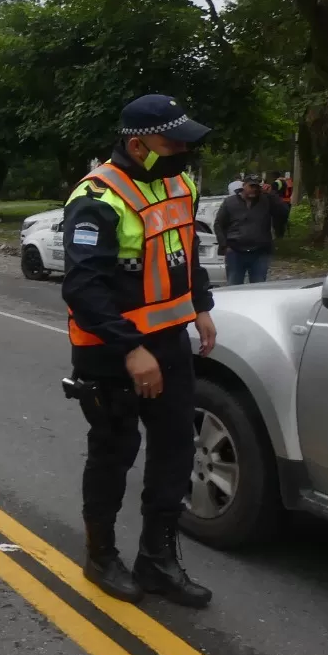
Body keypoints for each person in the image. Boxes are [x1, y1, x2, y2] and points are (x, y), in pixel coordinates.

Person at [60, 94, 216, 609]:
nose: (182, 152)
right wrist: (130, 350)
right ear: (137, 144)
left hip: (169, 342)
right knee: (114, 452)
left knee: (174, 450)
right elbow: (84, 289)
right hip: (112, 353)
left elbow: (185, 251)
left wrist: (200, 305)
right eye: (173, 142)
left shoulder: (181, 184)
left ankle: (158, 560)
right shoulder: (97, 198)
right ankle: (101, 555)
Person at [214, 173, 290, 285]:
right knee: (234, 287)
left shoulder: (266, 200)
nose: (254, 189)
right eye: (251, 186)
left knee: (258, 288)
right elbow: (218, 224)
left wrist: (272, 194)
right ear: (244, 185)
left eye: (257, 187)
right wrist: (224, 246)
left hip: (260, 252)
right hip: (235, 252)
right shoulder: (230, 202)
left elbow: (284, 213)